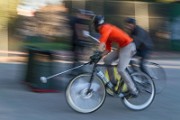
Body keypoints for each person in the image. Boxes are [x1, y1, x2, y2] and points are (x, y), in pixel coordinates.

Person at [93, 15, 138, 96]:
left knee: (120, 69)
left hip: (128, 46)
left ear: (96, 24)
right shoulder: (103, 31)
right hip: (122, 47)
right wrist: (99, 56)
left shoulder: (105, 27)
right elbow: (107, 49)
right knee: (107, 60)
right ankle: (113, 82)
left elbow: (102, 43)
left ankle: (133, 90)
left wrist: (97, 53)